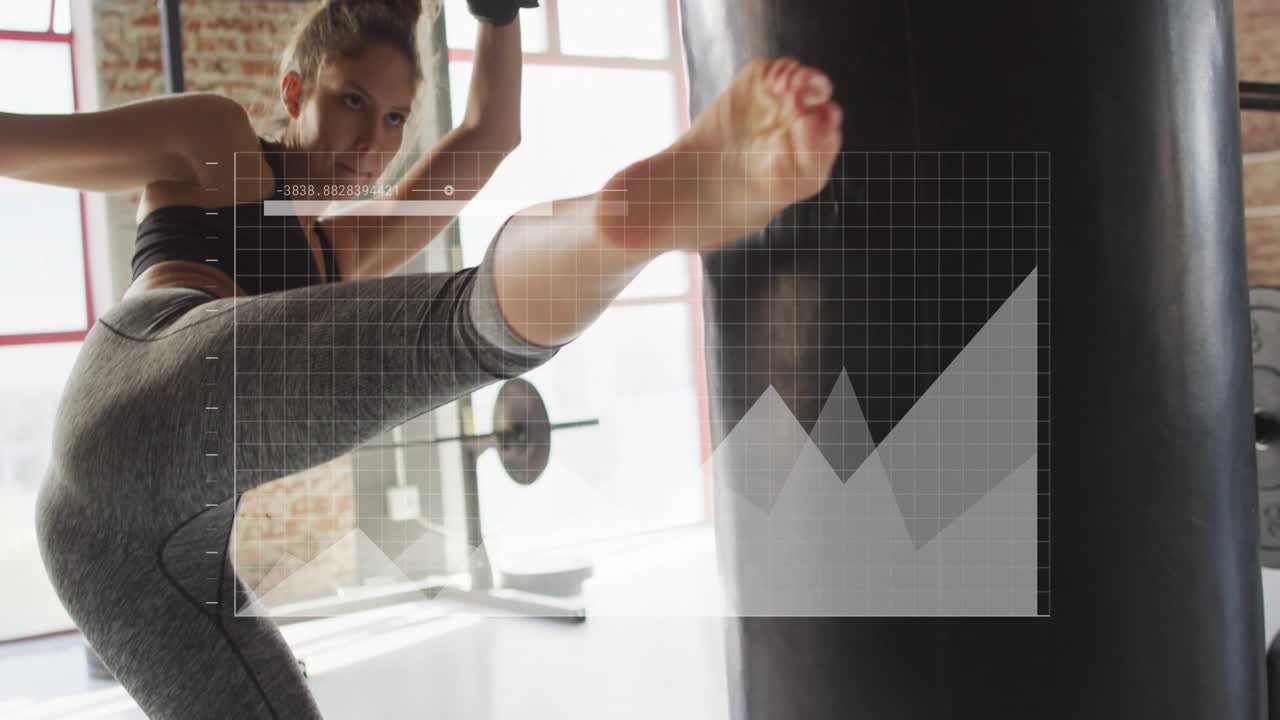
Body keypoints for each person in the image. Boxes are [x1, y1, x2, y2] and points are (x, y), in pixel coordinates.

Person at [11, 0, 843, 716]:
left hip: (148, 567)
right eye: (351, 101)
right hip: (132, 399)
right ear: (295, 92)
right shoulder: (218, 142)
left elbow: (488, 136)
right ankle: (630, 225)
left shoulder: (337, 251)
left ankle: (620, 226)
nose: (373, 141)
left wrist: (497, 14)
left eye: (397, 118)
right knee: (450, 329)